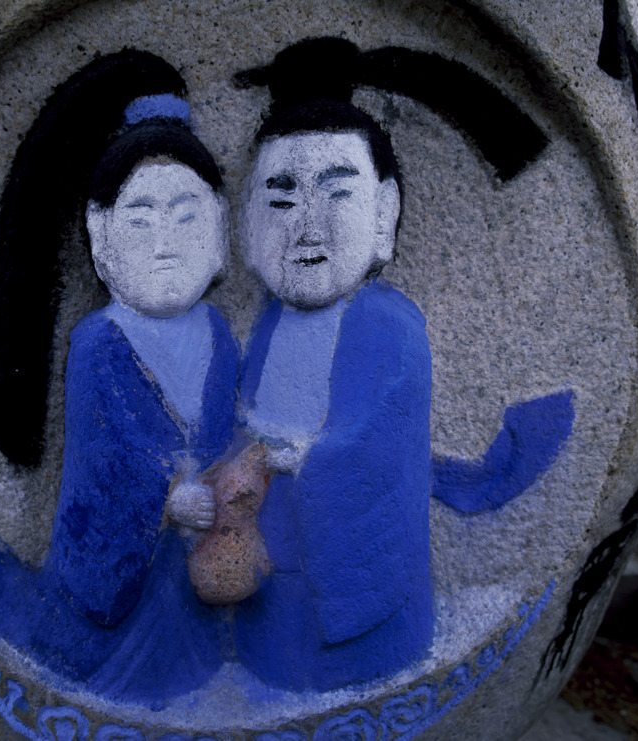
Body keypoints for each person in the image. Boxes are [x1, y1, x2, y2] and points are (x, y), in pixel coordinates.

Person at [232, 37, 574, 692]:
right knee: (272, 617)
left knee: (338, 644)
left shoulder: (388, 322)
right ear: (249, 220)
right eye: (280, 199)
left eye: (337, 195)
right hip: (271, 523)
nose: (307, 227)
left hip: (344, 538)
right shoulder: (269, 322)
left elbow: (382, 438)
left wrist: (303, 457)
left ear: (384, 212)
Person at [0, 53, 236, 707]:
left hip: (204, 561)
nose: (165, 241)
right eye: (140, 219)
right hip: (124, 569)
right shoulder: (99, 343)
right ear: (101, 238)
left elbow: (232, 428)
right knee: (118, 663)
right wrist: (167, 501)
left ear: (220, 233)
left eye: (186, 215)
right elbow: (106, 463)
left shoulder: (221, 335)